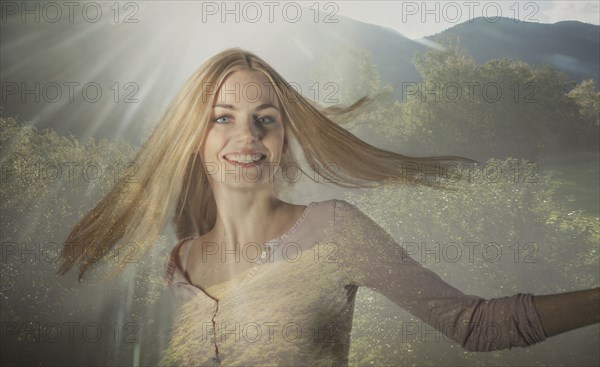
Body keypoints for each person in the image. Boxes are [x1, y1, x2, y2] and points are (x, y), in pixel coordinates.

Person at [57, 48, 599, 366]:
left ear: (284, 138)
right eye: (223, 117)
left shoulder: (334, 230)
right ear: (192, 138)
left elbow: (476, 325)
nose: (247, 137)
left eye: (265, 118)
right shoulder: (175, 268)